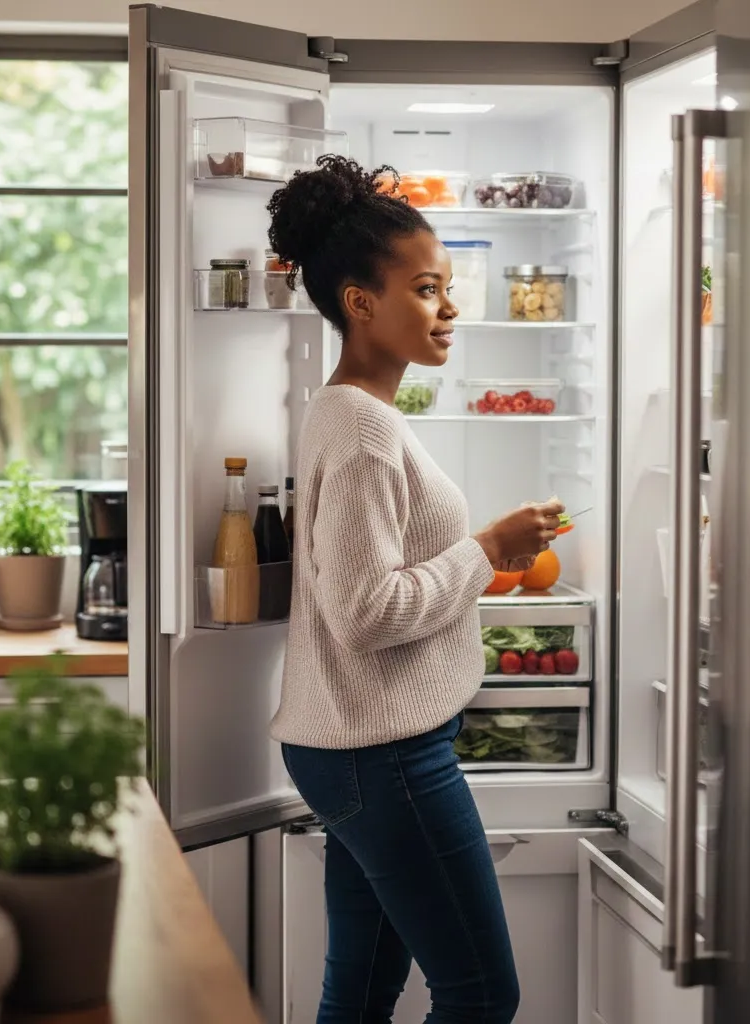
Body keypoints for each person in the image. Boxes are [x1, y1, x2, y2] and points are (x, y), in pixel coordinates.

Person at [267, 155, 564, 1024]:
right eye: (428, 289)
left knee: (359, 992)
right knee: (480, 994)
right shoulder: (361, 429)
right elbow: (365, 613)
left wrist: (490, 549)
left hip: (355, 747)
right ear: (362, 303)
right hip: (383, 753)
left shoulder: (353, 413)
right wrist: (488, 551)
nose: (451, 308)